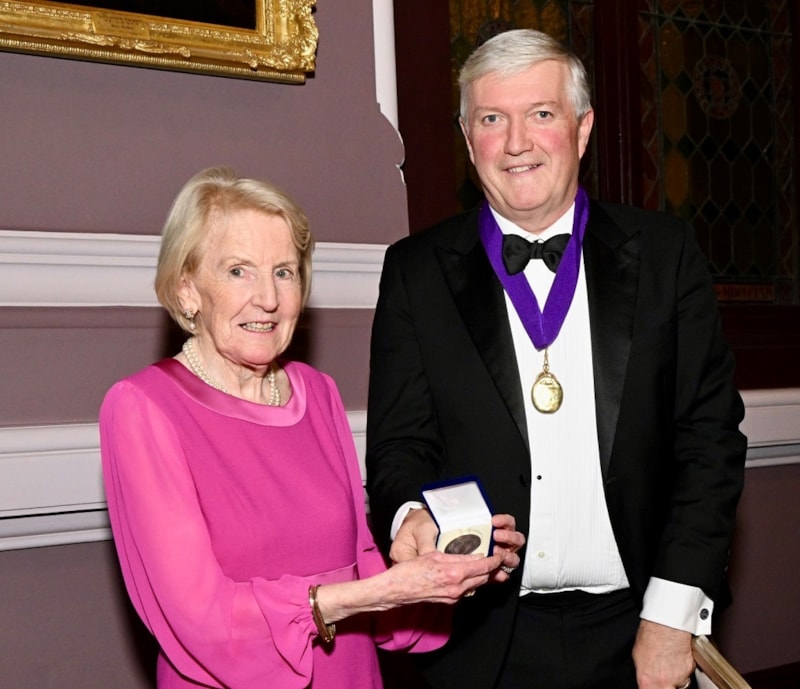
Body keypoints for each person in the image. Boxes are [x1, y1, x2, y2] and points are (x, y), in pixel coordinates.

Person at [365, 29, 747, 689]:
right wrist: (411, 518)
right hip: (477, 641)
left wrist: (671, 615)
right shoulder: (414, 272)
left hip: (640, 627)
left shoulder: (665, 254)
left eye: (541, 114)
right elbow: (399, 448)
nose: (516, 142)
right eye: (492, 119)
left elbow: (708, 445)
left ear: (583, 127)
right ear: (466, 137)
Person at [99, 167, 524, 689]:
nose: (269, 298)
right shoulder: (144, 407)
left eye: (284, 271)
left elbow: (360, 564)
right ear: (188, 289)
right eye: (238, 271)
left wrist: (439, 561)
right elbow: (201, 621)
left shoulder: (315, 393)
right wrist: (379, 593)